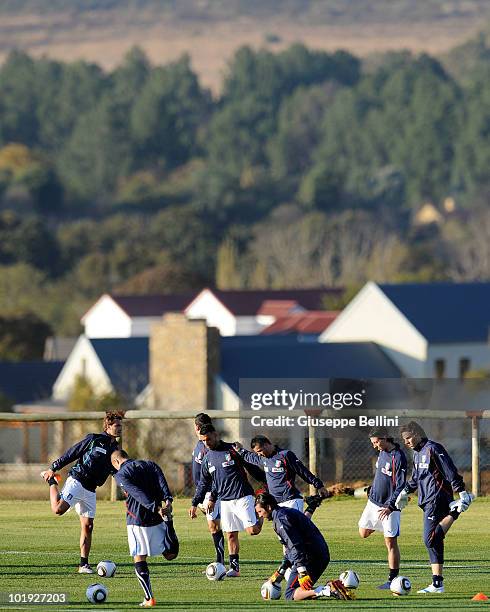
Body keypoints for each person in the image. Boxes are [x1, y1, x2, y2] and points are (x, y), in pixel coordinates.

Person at [40, 411, 122, 573]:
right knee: (58, 510)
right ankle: (52, 482)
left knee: (88, 526)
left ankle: (83, 564)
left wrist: (125, 487)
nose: (120, 428)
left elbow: (116, 470)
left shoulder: (115, 448)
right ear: (108, 426)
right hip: (77, 481)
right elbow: (72, 453)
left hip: (91, 490)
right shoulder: (93, 440)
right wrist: (53, 468)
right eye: (117, 426)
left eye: (121, 425)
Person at [396, 421, 473, 594]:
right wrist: (404, 492)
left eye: (408, 438)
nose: (406, 442)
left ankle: (456, 510)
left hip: (437, 498)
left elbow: (450, 470)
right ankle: (437, 584)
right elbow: (416, 478)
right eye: (404, 440)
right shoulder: (417, 454)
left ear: (416, 434)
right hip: (426, 500)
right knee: (435, 541)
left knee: (429, 539)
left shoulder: (433, 448)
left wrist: (461, 492)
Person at [189, 423, 263, 577]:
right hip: (226, 501)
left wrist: (266, 481)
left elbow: (251, 467)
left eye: (208, 439)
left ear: (215, 434)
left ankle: (261, 514)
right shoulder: (207, 458)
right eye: (203, 441)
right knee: (230, 535)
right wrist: (196, 503)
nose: (206, 443)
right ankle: (235, 569)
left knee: (252, 531)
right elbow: (207, 483)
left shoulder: (232, 449)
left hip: (243, 495)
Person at [111, 449, 179, 608]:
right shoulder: (149, 464)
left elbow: (137, 493)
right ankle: (169, 522)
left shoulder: (120, 474)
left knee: (139, 557)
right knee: (170, 554)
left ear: (116, 462)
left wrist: (155, 507)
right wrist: (167, 499)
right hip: (158, 517)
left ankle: (149, 598)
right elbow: (161, 479)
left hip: (137, 519)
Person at [255, 493, 353, 601]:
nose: (260, 515)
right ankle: (329, 589)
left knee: (290, 594)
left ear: (268, 507)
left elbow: (295, 546)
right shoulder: (283, 513)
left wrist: (302, 570)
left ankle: (327, 590)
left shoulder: (281, 519)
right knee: (302, 591)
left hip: (310, 557)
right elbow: (290, 548)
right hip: (319, 554)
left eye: (260, 511)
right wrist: (282, 570)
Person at [358, 427, 407, 590]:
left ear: (385, 438)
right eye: (372, 442)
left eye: (376, 442)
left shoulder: (398, 457)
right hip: (373, 502)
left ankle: (392, 579)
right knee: (363, 532)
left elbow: (401, 485)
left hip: (389, 507)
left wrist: (391, 506)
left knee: (390, 542)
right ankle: (382, 527)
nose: (374, 446)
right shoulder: (382, 452)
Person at [233, 435, 329, 516]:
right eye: (257, 452)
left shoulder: (285, 455)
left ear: (267, 444)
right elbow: (249, 457)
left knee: (296, 529)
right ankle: (312, 505)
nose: (259, 454)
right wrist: (240, 450)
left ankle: (312, 506)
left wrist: (319, 485)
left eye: (260, 450)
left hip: (290, 499)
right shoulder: (263, 458)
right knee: (283, 534)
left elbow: (303, 471)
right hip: (275, 502)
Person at [192, 413, 225, 566]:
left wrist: (211, 495)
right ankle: (222, 560)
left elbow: (214, 473)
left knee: (214, 525)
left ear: (196, 427)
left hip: (211, 492)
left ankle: (220, 561)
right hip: (203, 492)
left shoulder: (208, 447)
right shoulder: (201, 444)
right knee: (214, 524)